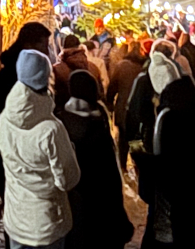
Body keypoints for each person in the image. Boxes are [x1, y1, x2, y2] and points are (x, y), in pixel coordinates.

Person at [0, 49, 81, 249]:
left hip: (16, 218)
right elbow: (68, 179)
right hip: (47, 223)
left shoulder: (5, 118)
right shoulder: (51, 129)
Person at [133, 53, 195, 248]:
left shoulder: (168, 117)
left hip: (171, 211)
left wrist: (144, 163)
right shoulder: (192, 107)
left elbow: (164, 169)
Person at [0, 22, 52, 249]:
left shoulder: (9, 75)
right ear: (29, 45)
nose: (47, 52)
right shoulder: (16, 79)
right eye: (43, 46)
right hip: (19, 159)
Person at [60, 70, 134, 248]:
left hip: (73, 205)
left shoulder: (61, 122)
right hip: (101, 205)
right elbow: (111, 176)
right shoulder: (98, 123)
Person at [107, 42, 147, 171]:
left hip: (124, 108)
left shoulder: (121, 66)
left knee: (123, 140)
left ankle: (123, 166)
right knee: (137, 139)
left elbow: (112, 87)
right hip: (139, 109)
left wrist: (109, 104)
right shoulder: (144, 67)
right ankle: (138, 165)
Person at [52, 35, 100, 110]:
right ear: (79, 47)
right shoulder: (93, 68)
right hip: (90, 116)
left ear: (63, 49)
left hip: (65, 115)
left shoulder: (57, 69)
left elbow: (54, 96)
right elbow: (100, 95)